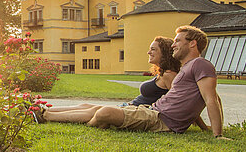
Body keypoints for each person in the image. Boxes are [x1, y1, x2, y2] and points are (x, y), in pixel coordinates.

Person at [38, 25, 226, 138]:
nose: (174, 45)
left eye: (178, 41)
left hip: (161, 120)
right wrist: (204, 128)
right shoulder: (187, 68)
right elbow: (197, 100)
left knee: (104, 112)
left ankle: (45, 116)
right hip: (151, 111)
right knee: (97, 109)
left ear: (192, 43)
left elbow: (211, 99)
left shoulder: (201, 64)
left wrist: (217, 134)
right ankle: (44, 112)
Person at [43, 37, 180, 124]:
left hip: (136, 110)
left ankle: (46, 115)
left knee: (95, 110)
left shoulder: (169, 75)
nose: (148, 52)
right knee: (85, 105)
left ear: (165, 53)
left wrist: (200, 125)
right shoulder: (162, 72)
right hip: (130, 105)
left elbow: (178, 100)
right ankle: (46, 110)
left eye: (153, 49)